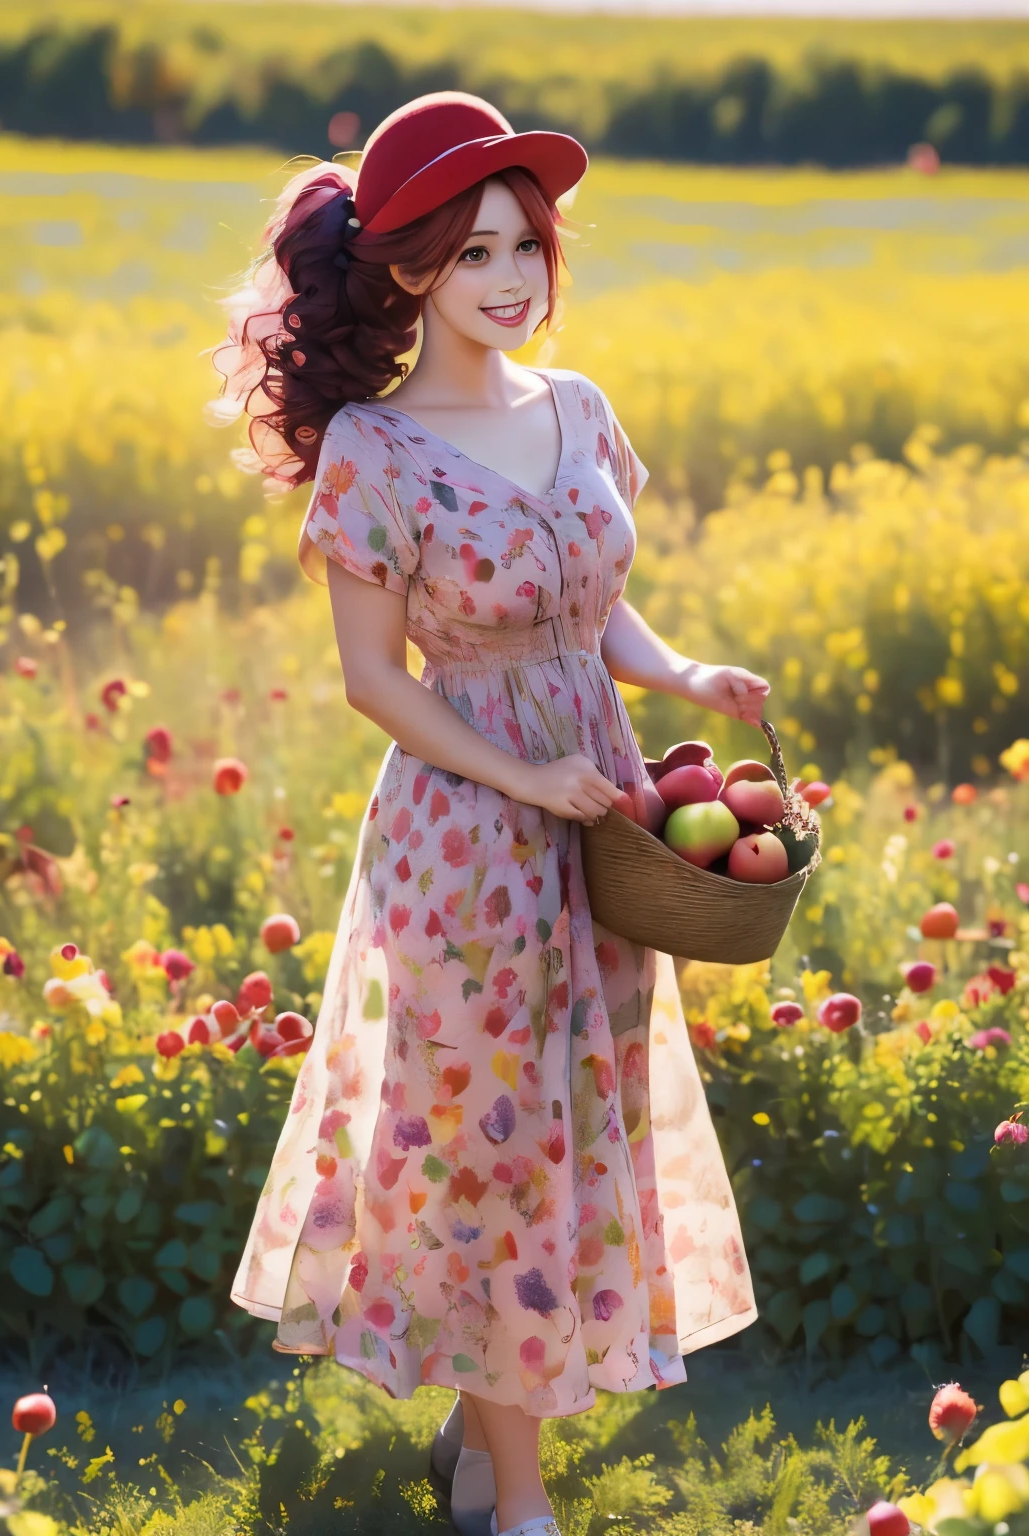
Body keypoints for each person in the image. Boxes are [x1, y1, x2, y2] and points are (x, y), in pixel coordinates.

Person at [216, 91, 765, 1536]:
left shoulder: (578, 412)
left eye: (528, 244)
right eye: (474, 254)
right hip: (466, 839)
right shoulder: (376, 456)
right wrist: (520, 778)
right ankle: (519, 1502)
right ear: (409, 271)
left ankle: (480, 1450)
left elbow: (599, 602)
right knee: (487, 1144)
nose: (513, 278)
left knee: (566, 1126)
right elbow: (369, 683)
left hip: (606, 817)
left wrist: (683, 668)